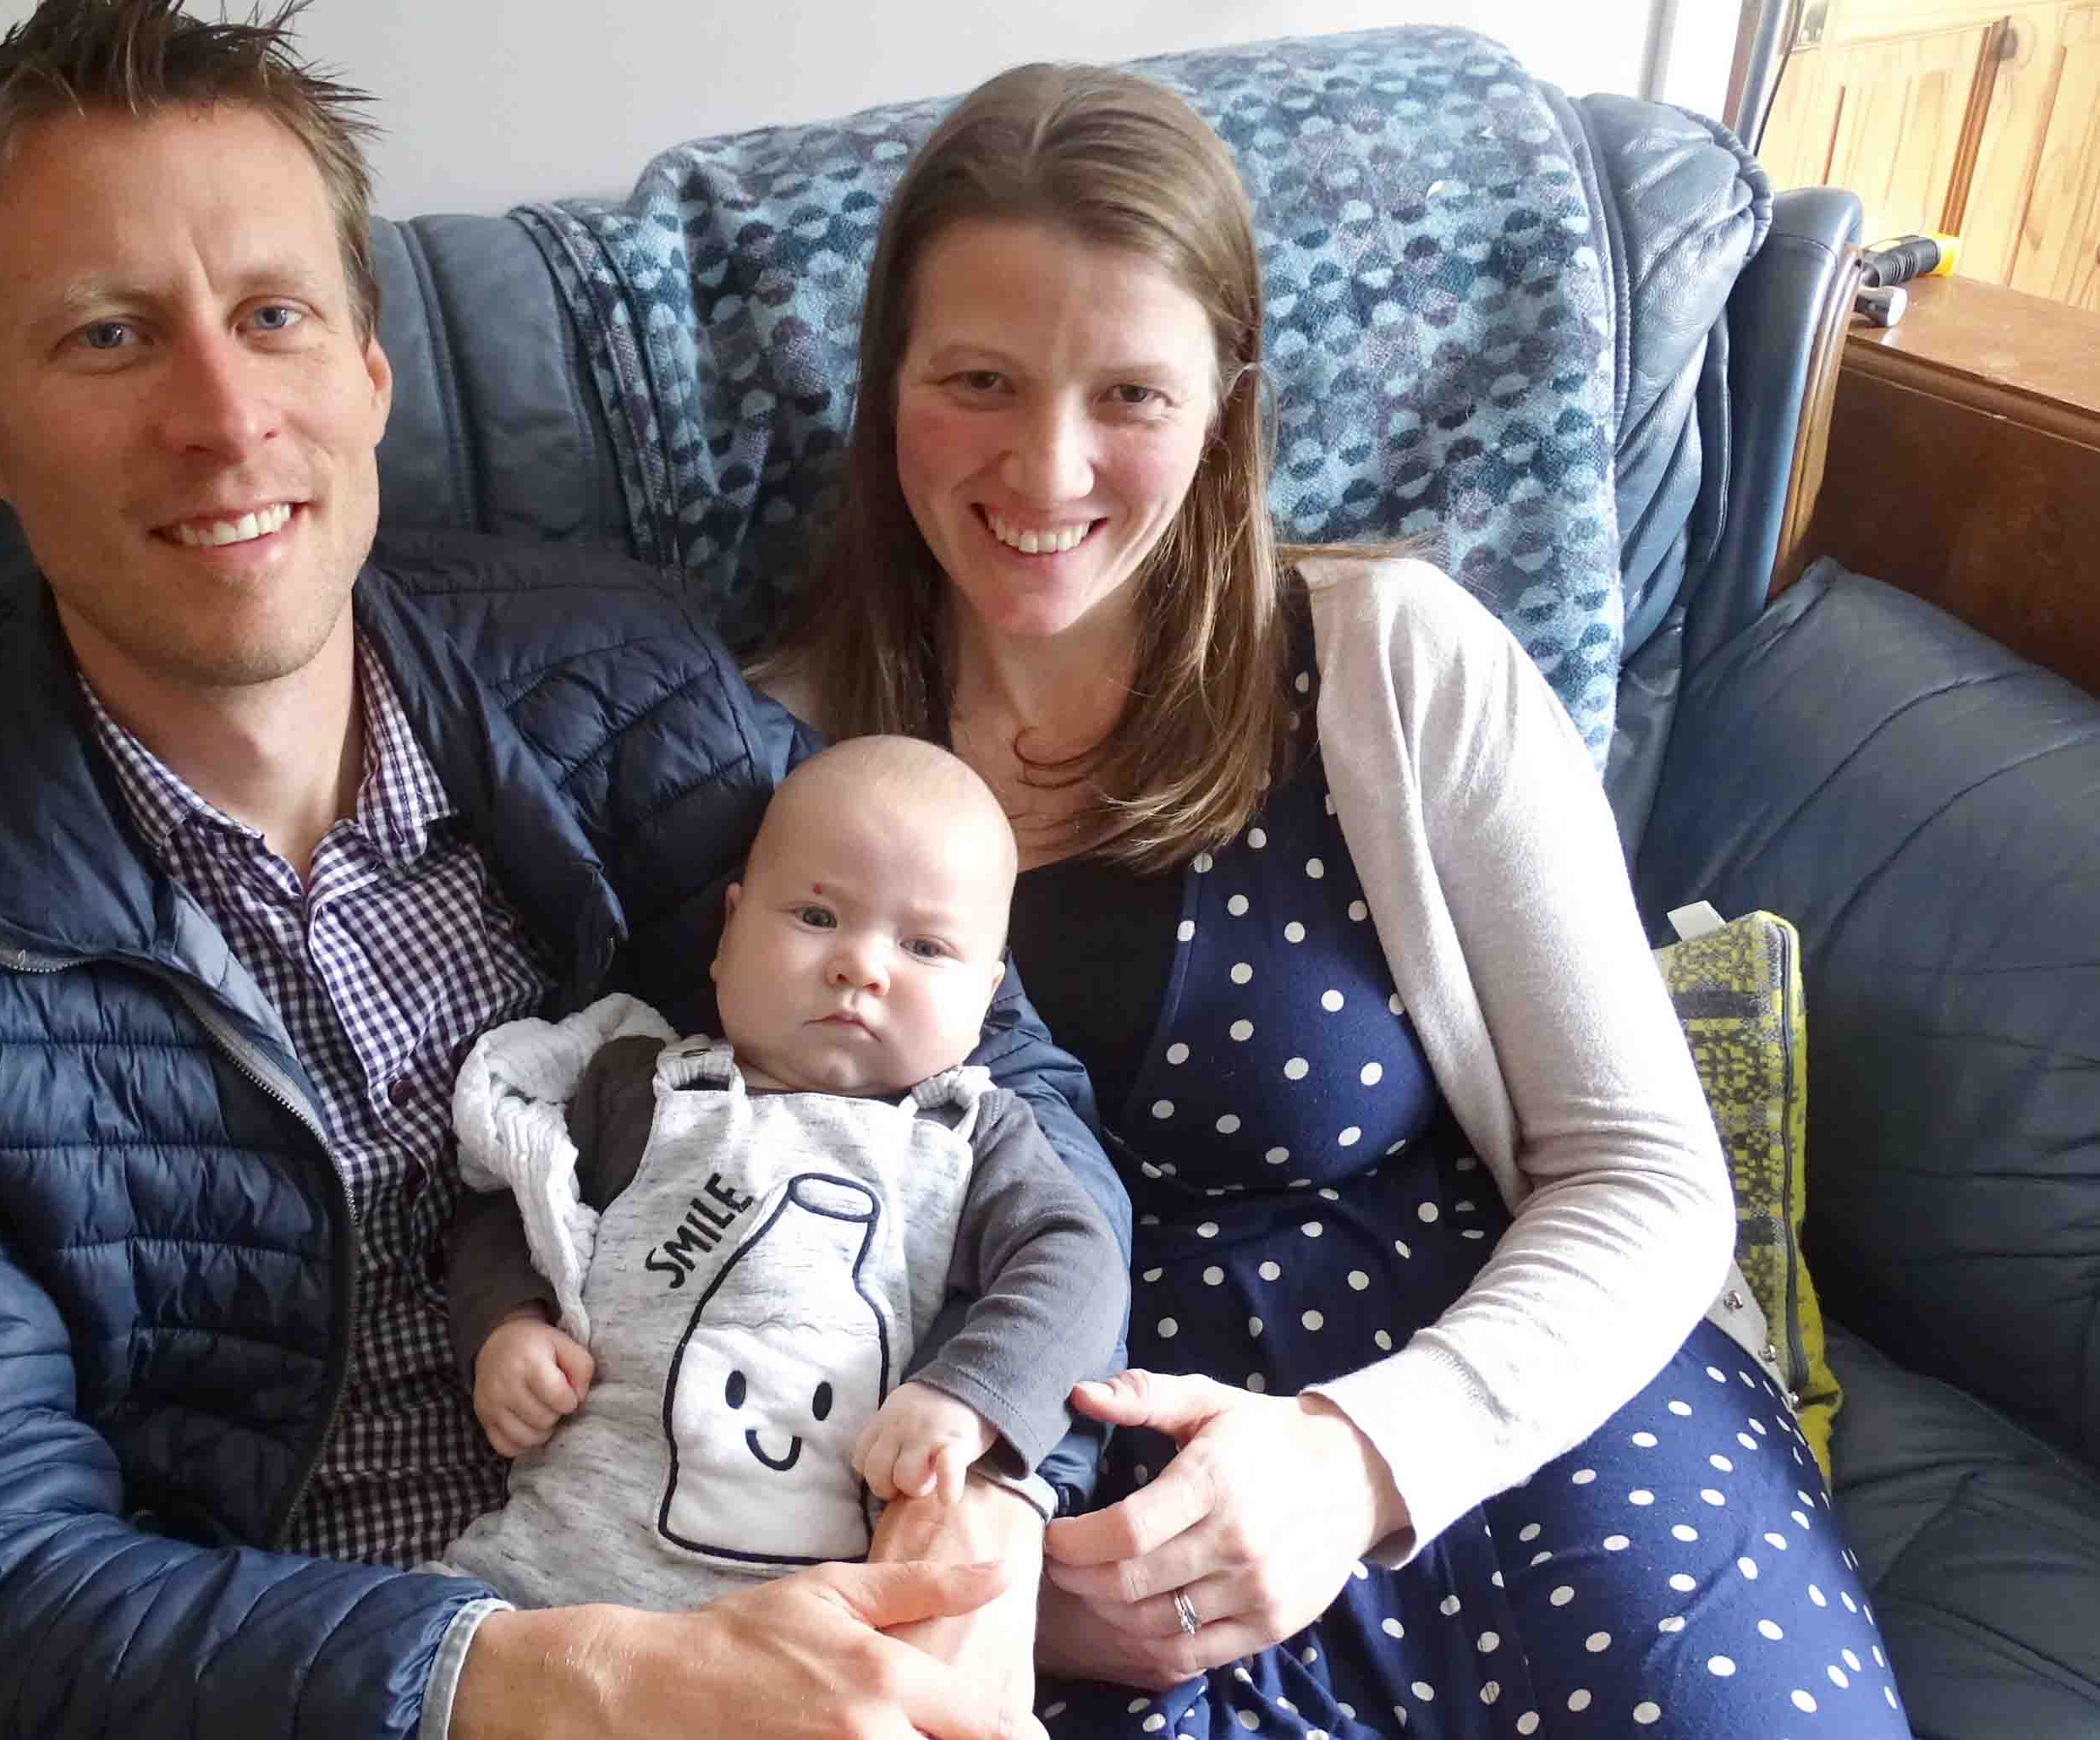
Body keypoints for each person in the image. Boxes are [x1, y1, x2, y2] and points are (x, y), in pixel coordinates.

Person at [0, 4, 1125, 1737]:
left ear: (369, 366)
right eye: (110, 335)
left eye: (272, 315)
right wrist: (555, 1679)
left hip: (798, 1601)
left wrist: (993, 1495)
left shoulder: (612, 672)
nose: (222, 417)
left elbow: (988, 1070)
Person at [756, 62, 1913, 1739]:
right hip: (1072, 1539)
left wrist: (1363, 1454)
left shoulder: (1390, 663)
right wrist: (984, 1538)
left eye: (1131, 396)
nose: (1047, 464)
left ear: (1227, 405)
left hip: (1518, 1431)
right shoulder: (768, 752)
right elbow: (716, 1233)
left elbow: (1648, 1172)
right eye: (977, 381)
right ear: (884, 392)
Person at [434, 736, 1130, 1611]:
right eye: (816, 917)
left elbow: (1078, 1262)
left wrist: (970, 1397)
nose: (859, 966)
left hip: (820, 1625)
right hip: (554, 1585)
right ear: (727, 932)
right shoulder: (641, 1084)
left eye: (923, 946)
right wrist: (506, 1327)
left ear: (985, 997)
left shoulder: (969, 1135)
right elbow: (511, 1211)